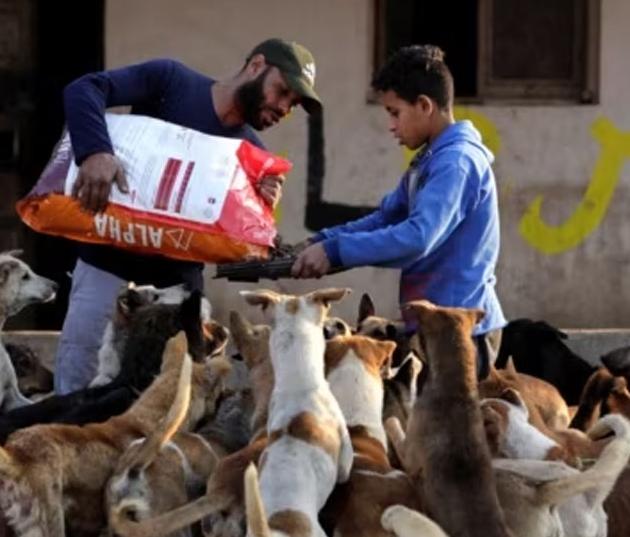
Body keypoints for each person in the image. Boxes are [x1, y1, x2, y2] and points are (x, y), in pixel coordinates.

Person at [54, 39, 322, 393]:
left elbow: (231, 253)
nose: (284, 107)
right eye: (283, 91)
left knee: (167, 404)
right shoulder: (170, 81)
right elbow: (84, 89)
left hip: (177, 295)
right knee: (75, 391)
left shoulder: (253, 156)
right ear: (256, 66)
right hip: (105, 268)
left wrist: (256, 219)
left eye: (293, 104)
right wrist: (95, 152)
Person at [292, 44, 505, 375]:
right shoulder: (430, 160)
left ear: (424, 105)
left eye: (395, 112)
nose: (391, 125)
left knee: (450, 427)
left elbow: (417, 238)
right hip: (435, 328)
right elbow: (385, 218)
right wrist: (319, 242)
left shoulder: (456, 163)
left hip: (461, 332)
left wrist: (335, 251)